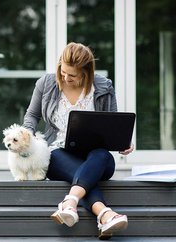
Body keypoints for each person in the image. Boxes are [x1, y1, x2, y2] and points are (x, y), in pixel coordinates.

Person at [22, 42, 134, 240]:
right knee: (76, 169)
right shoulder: (46, 83)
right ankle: (104, 214)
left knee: (101, 155)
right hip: (58, 154)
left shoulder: (104, 87)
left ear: (86, 72)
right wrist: (27, 137)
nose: (65, 77)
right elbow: (32, 115)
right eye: (62, 71)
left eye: (71, 75)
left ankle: (69, 203)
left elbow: (112, 123)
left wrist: (122, 142)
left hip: (96, 157)